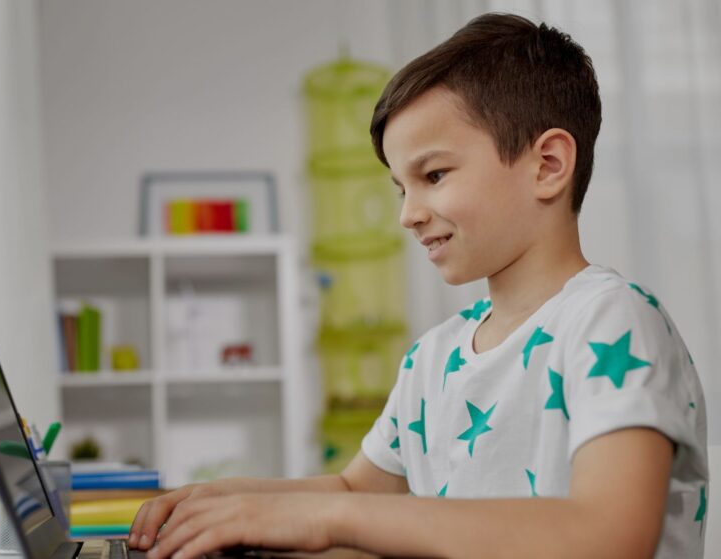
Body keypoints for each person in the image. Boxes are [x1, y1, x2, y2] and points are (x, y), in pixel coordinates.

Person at [129, 12, 708, 559]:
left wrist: (323, 520)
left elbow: (608, 536)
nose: (408, 214)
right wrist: (232, 503)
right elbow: (356, 493)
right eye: (400, 189)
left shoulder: (612, 322)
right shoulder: (432, 358)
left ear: (548, 164)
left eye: (433, 175)